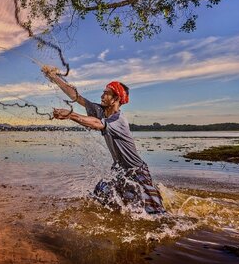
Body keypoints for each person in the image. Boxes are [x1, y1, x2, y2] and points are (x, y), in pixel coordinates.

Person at [42, 65, 165, 214]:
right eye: (103, 92)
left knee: (155, 215)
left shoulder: (119, 120)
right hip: (119, 171)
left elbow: (97, 124)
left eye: (107, 94)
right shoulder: (101, 110)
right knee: (102, 193)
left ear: (116, 99)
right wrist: (54, 77)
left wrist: (70, 115)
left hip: (137, 172)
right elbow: (76, 97)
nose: (102, 96)